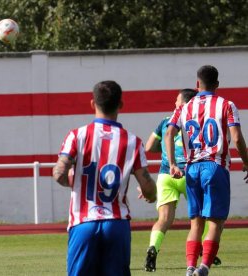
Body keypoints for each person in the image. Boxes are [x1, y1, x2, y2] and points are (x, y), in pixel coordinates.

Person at [53, 80, 157, 275]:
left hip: (83, 223)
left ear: (93, 103)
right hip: (116, 224)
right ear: (121, 105)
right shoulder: (133, 142)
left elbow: (58, 173)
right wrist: (152, 195)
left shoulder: (77, 136)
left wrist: (74, 181)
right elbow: (147, 186)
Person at [165, 65, 248, 276]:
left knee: (195, 224)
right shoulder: (227, 105)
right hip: (215, 166)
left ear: (197, 84)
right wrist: (247, 161)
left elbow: (169, 134)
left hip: (191, 168)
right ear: (217, 85)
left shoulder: (184, 107)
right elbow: (237, 138)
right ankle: (203, 268)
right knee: (215, 223)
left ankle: (190, 266)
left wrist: (173, 164)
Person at [143, 89, 221, 272]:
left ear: (183, 102)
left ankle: (153, 247)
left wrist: (164, 151)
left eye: (177, 100)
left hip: (166, 175)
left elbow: (149, 146)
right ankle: (204, 251)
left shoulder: (165, 121)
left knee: (163, 219)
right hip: (189, 174)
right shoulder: (196, 121)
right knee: (199, 219)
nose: (174, 102)